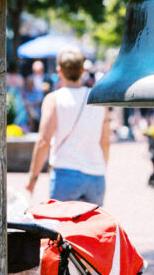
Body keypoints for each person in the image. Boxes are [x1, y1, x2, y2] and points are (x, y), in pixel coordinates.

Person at [25, 46, 110, 205]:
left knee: (62, 227)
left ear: (59, 71)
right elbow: (105, 140)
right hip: (96, 175)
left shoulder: (54, 99)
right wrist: (100, 167)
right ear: (83, 70)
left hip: (66, 173)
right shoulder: (98, 99)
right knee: (93, 228)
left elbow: (44, 141)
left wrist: (33, 178)